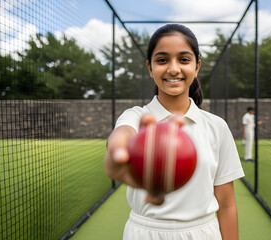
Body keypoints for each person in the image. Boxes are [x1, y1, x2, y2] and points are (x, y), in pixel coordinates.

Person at [104, 24, 244, 240]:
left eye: (184, 59)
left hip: (204, 233)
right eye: (162, 60)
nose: (173, 68)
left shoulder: (217, 126)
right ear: (150, 68)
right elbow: (122, 136)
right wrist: (117, 151)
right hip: (143, 233)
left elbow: (226, 204)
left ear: (197, 67)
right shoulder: (136, 117)